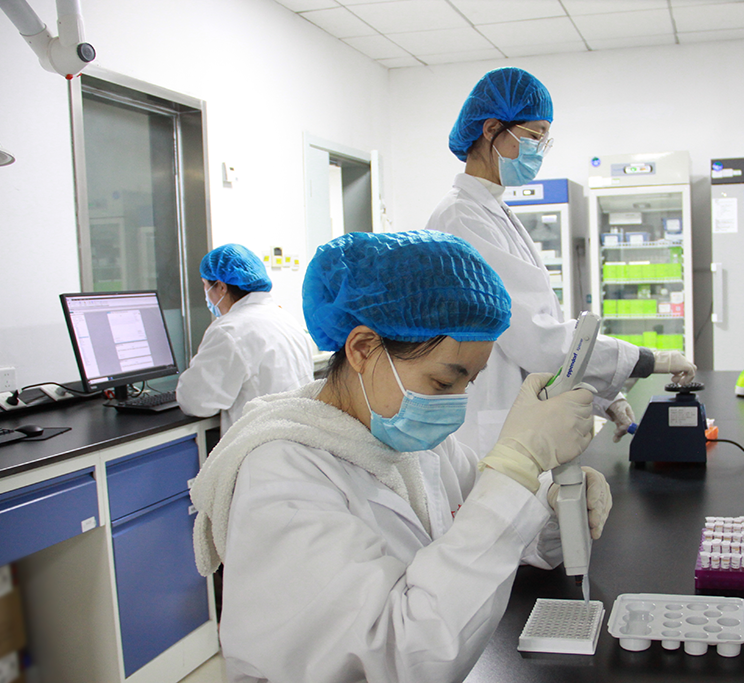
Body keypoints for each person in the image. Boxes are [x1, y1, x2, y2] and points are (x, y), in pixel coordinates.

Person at [189, 231, 612, 683]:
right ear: (362, 349)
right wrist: (516, 465)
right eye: (443, 382)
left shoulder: (412, 443)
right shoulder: (283, 477)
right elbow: (403, 655)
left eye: (469, 382)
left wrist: (551, 504)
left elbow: (495, 534)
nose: (456, 402)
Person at [426, 67, 696, 456]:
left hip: (517, 410)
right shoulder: (462, 218)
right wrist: (648, 359)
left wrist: (606, 397)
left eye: (544, 140)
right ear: (491, 129)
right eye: (535, 136)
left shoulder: (492, 211)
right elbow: (535, 338)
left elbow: (543, 327)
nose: (539, 150)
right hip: (489, 416)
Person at [176, 243, 314, 434]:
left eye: (206, 286)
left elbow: (196, 402)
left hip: (263, 442)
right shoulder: (285, 318)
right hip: (298, 435)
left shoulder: (229, 330)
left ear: (221, 287)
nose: (206, 296)